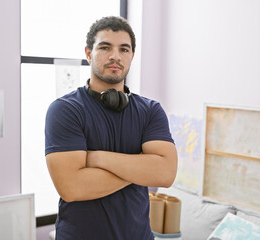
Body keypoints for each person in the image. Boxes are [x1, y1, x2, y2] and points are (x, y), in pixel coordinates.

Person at [45, 16, 177, 240]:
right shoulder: (65, 110)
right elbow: (72, 187)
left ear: (132, 56)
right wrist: (142, 168)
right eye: (105, 47)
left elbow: (165, 174)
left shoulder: (150, 110)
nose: (115, 56)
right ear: (88, 53)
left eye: (124, 49)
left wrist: (96, 159)